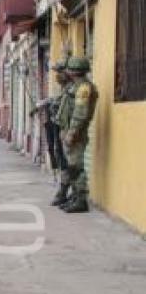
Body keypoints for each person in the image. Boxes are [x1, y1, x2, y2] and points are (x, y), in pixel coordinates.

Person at [57, 56, 98, 213]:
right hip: (70, 130)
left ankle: (81, 200)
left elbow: (80, 114)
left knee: (76, 167)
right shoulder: (76, 86)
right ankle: (75, 197)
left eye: (69, 69)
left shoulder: (83, 89)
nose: (67, 72)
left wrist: (72, 133)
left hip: (76, 133)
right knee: (72, 166)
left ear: (74, 71)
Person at [49, 59, 72, 206]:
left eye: (60, 72)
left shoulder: (73, 89)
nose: (57, 76)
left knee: (70, 162)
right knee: (61, 159)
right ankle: (64, 192)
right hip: (61, 128)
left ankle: (68, 193)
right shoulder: (65, 89)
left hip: (69, 130)